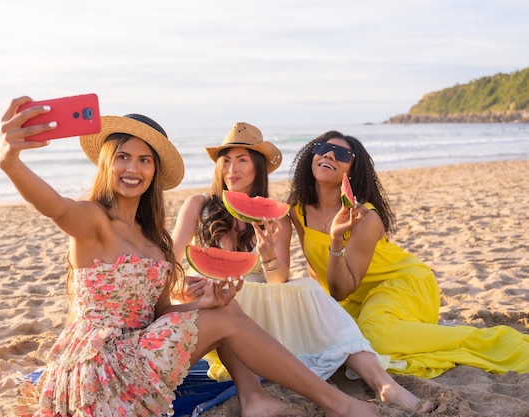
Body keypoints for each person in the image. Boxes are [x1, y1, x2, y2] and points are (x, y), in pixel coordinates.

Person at [0, 97, 383, 417]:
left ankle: (268, 400)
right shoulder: (93, 220)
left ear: (154, 172)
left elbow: (160, 313)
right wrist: (10, 160)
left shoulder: (154, 240)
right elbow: (54, 206)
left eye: (145, 160)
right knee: (227, 316)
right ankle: (333, 403)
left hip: (140, 350)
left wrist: (203, 303)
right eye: (123, 157)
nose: (133, 168)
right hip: (102, 372)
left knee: (225, 310)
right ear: (106, 163)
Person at [171, 122, 431, 413]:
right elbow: (171, 261)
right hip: (210, 303)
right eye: (226, 160)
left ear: (257, 167)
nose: (232, 168)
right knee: (245, 298)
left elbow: (278, 279)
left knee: (308, 289)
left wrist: (267, 254)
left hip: (257, 310)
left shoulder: (277, 216)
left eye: (242, 160)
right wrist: (180, 285)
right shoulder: (198, 204)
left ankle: (384, 384)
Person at [288, 130, 529, 379]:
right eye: (322, 147)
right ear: (311, 155)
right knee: (319, 337)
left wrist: (337, 237)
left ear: (353, 170)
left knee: (374, 333)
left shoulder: (366, 218)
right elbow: (315, 266)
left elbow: (341, 290)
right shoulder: (297, 207)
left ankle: (493, 339)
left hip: (404, 284)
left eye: (341, 153)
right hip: (359, 298)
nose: (328, 153)